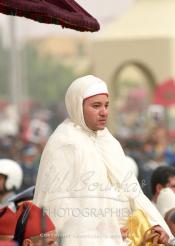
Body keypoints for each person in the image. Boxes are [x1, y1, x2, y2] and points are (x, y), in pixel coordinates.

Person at [33, 75, 173, 245]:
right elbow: (60, 212)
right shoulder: (64, 143)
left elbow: (134, 194)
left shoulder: (109, 142)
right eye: (96, 106)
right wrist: (108, 233)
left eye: (106, 105)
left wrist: (154, 226)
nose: (104, 112)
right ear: (77, 106)